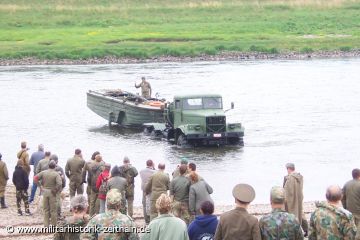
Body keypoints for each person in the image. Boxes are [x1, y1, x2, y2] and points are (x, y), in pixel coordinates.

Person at [34, 160, 62, 226]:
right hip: (52, 192)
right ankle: (53, 225)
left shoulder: (43, 172)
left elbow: (35, 178)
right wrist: (55, 189)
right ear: (55, 166)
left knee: (46, 209)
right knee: (53, 210)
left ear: (48, 166)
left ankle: (46, 225)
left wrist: (40, 186)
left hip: (45, 191)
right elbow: (59, 183)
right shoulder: (56, 174)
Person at [283, 162, 308, 235]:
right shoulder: (299, 177)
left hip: (291, 199)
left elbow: (286, 191)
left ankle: (294, 232)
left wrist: (284, 200)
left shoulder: (289, 178)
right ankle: (306, 230)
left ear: (288, 169)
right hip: (299, 197)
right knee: (300, 213)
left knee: (292, 214)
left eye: (287, 169)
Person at [343, 168, 360, 238]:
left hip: (349, 212)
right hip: (358, 212)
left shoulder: (346, 184)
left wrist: (345, 207)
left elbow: (342, 198)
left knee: (351, 231)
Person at [140, 159, 156, 224]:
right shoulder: (154, 172)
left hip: (144, 189)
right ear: (152, 164)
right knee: (151, 203)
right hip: (151, 189)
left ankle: (146, 220)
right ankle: (151, 219)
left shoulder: (141, 171)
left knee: (144, 204)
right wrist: (154, 167)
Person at [51, 154, 66, 219]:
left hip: (50, 186)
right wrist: (63, 186)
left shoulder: (48, 168)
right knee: (58, 200)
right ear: (57, 161)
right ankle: (58, 213)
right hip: (58, 187)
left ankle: (51, 214)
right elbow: (63, 179)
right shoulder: (59, 169)